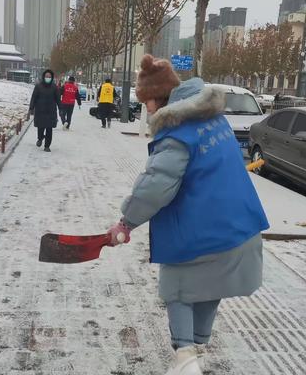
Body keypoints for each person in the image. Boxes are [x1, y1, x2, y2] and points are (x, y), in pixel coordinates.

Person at [107, 54, 269, 375]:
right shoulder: (215, 121)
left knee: (179, 286)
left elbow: (154, 187)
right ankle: (195, 350)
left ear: (161, 97)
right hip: (242, 227)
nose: (147, 109)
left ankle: (185, 357)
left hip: (203, 234)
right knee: (211, 286)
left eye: (147, 101)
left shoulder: (177, 136)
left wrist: (125, 223)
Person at [29, 69, 61, 153]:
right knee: (40, 128)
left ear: (52, 78)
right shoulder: (38, 86)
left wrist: (61, 109)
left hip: (51, 112)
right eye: (47, 76)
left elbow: (58, 99)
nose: (48, 78)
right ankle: (40, 138)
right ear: (44, 77)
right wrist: (31, 108)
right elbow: (34, 97)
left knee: (49, 129)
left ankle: (47, 146)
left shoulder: (54, 87)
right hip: (40, 111)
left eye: (49, 77)